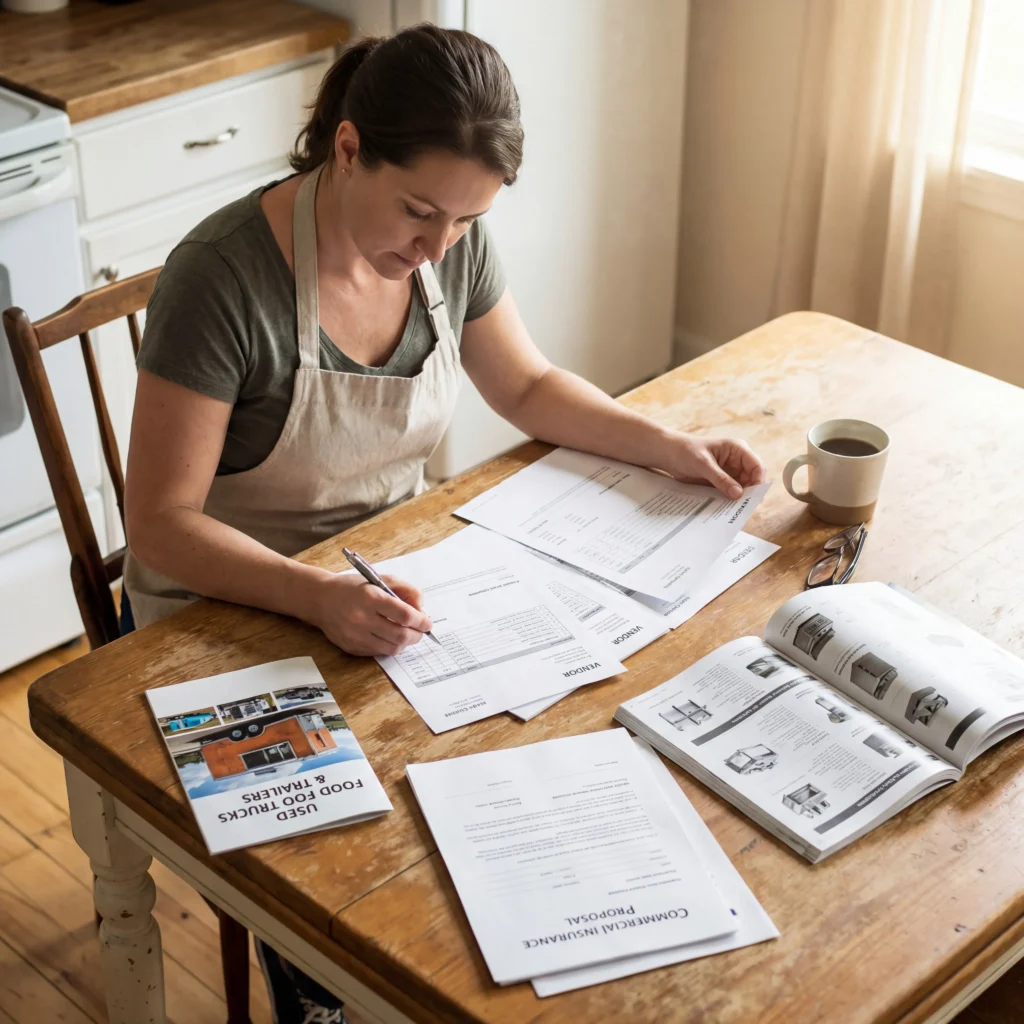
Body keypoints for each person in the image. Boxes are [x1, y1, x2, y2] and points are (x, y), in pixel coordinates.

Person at [121, 25, 765, 1024]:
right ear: (345, 149)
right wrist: (316, 595)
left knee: (521, 830)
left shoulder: (447, 243)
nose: (436, 247)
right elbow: (160, 527)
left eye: (464, 222)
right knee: (341, 902)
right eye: (419, 210)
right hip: (222, 618)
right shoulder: (222, 279)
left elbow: (531, 383)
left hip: (387, 592)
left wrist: (663, 443)